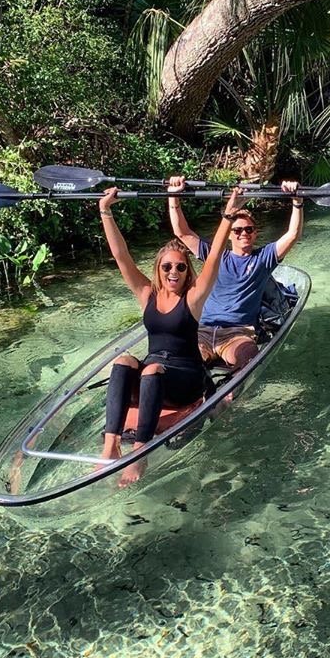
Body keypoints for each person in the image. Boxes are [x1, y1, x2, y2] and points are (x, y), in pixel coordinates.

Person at [98, 183, 245, 486]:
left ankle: (140, 455)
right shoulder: (146, 293)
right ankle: (109, 447)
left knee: (151, 368)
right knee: (124, 360)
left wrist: (228, 216)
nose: (173, 272)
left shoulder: (193, 298)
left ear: (187, 271)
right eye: (167, 267)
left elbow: (215, 256)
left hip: (186, 379)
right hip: (155, 374)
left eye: (180, 266)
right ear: (159, 269)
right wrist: (105, 211)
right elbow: (121, 255)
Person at [168, 175, 303, 370]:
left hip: (237, 333)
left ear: (256, 233)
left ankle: (229, 397)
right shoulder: (215, 254)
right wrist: (174, 197)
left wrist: (297, 202)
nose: (243, 234)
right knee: (184, 359)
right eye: (238, 230)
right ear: (229, 234)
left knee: (249, 359)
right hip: (203, 330)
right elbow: (182, 232)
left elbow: (292, 235)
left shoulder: (263, 258)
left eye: (249, 229)